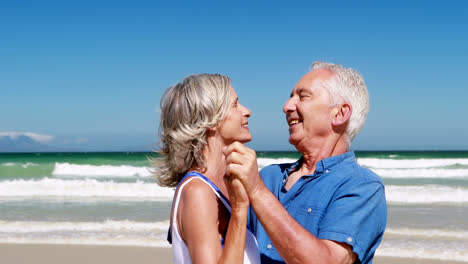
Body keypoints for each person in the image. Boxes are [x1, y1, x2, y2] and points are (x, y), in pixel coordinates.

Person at [224, 61, 387, 264]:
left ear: (339, 114)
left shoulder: (363, 186)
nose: (287, 106)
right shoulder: (269, 177)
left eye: (303, 96)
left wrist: (257, 192)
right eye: (290, 97)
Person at [152, 73, 261, 264]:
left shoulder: (219, 186)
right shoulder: (198, 192)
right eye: (235, 105)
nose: (247, 111)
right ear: (211, 120)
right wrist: (240, 209)